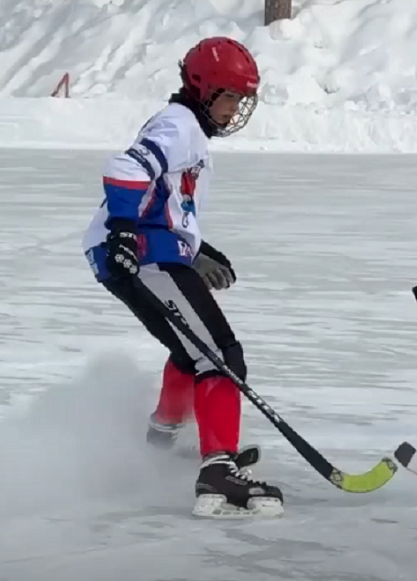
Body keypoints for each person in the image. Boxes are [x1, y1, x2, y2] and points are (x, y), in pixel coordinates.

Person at [81, 37, 283, 519]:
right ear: (203, 88)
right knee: (220, 355)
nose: (236, 110)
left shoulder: (190, 131)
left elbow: (166, 201)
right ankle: (218, 471)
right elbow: (126, 167)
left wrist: (195, 248)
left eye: (241, 100)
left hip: (151, 251)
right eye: (230, 97)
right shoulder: (179, 126)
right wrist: (126, 233)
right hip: (143, 256)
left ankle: (159, 440)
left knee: (191, 356)